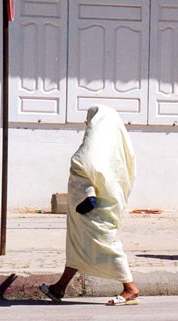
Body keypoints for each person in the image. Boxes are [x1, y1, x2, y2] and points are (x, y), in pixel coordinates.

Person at [39, 105, 140, 305]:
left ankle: (130, 288)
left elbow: (83, 166)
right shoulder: (119, 149)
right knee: (79, 247)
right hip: (106, 205)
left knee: (106, 246)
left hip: (90, 209)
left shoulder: (89, 151)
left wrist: (88, 195)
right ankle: (60, 287)